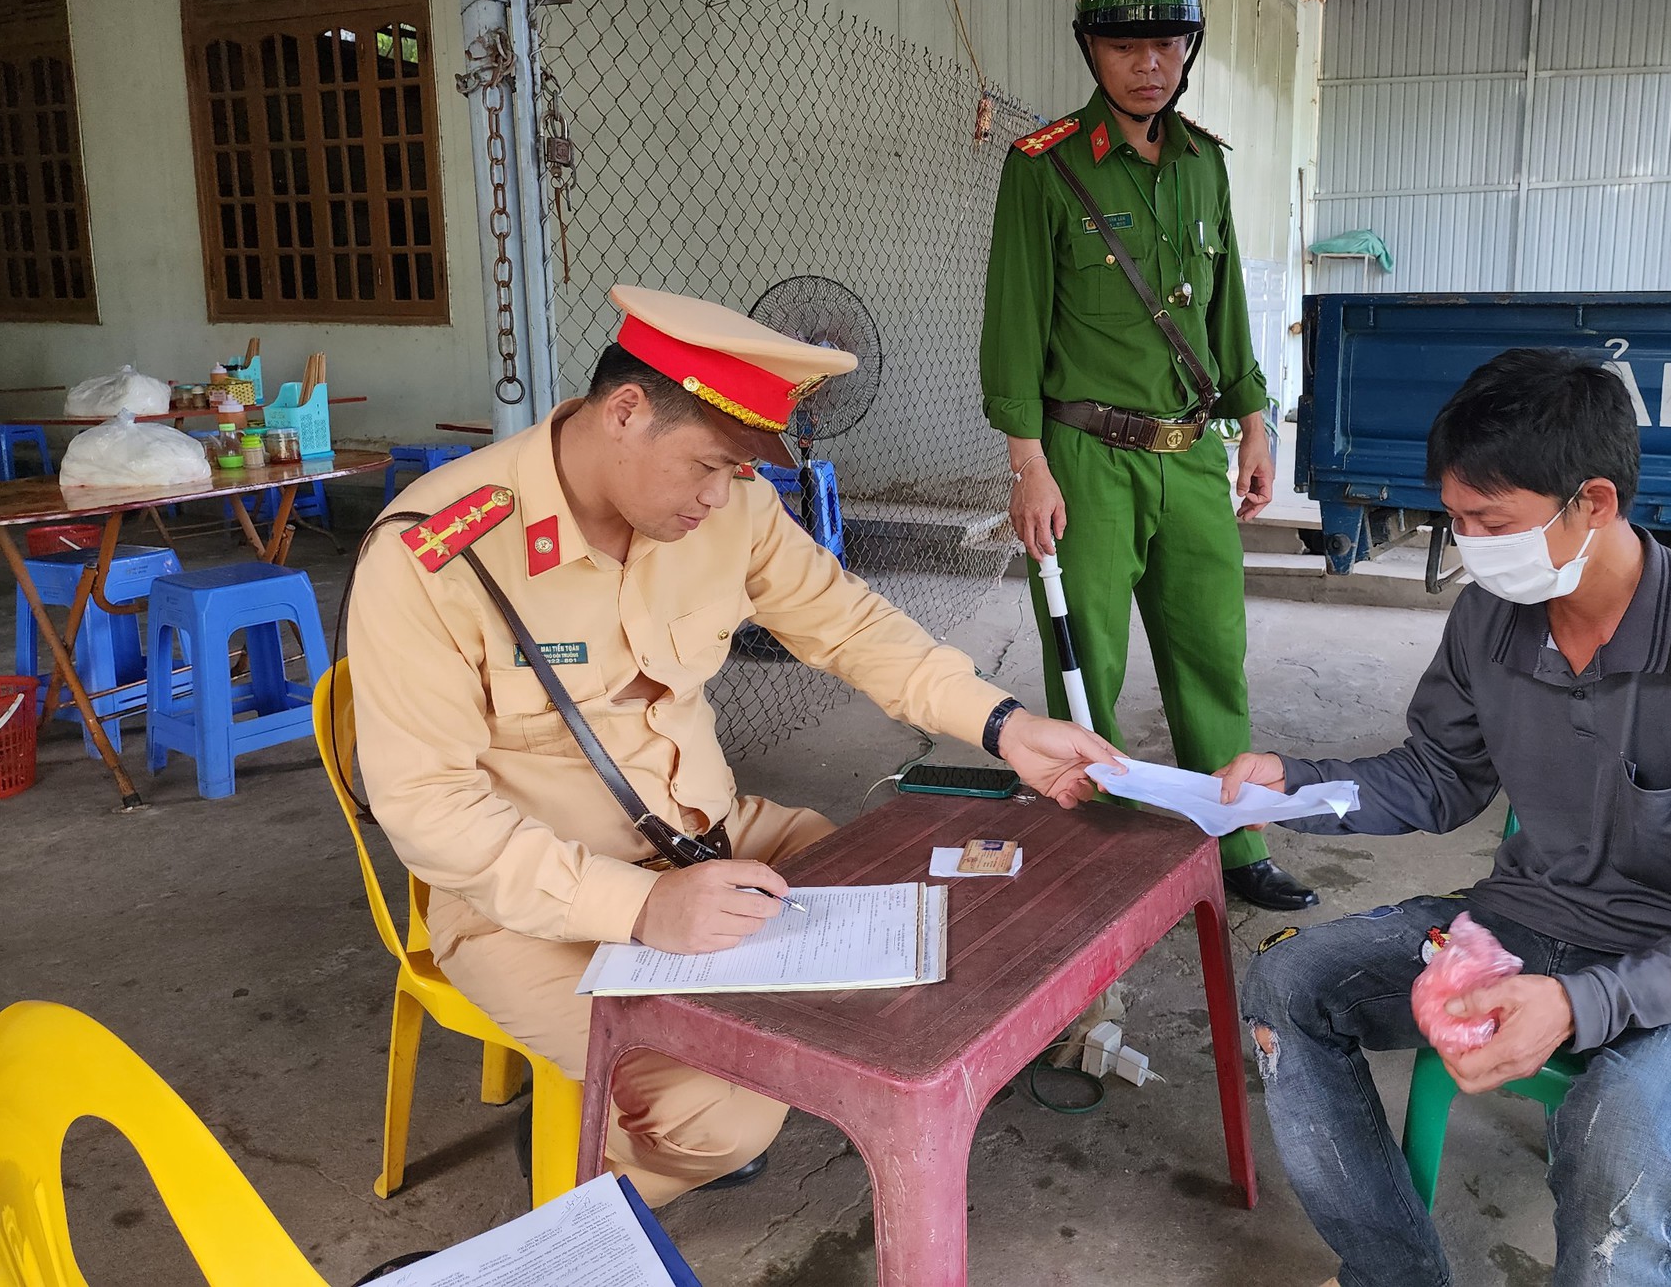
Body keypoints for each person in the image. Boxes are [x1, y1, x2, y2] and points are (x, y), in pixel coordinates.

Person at [347, 284, 1116, 1205]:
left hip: (716, 838)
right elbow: (429, 813)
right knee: (725, 1120)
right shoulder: (436, 553)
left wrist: (1006, 725)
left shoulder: (729, 508)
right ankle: (585, 1174)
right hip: (534, 901)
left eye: (738, 470)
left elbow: (850, 626)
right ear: (625, 412)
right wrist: (641, 907)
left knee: (929, 913)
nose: (720, 496)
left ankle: (700, 1081)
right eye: (708, 465)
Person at [1218, 348, 1671, 1287]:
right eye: (1456, 518)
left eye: (1492, 522)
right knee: (1289, 984)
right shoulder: (1491, 621)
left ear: (1593, 502)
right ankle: (1392, 1275)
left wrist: (1583, 1004)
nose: (1470, 545)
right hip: (1533, 925)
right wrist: (1294, 785)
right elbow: (1439, 777)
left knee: (1616, 1124)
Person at [979, 0, 1315, 913]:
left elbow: (1225, 313)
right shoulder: (1044, 166)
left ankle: (1238, 845)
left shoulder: (1205, 164)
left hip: (1192, 455)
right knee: (1088, 666)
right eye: (1125, 44)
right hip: (1085, 457)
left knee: (1211, 654)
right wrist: (1027, 464)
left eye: (1166, 42)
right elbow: (1013, 324)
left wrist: (1253, 425)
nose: (1147, 63)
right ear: (1091, 47)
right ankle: (1101, 857)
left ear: (1188, 47)